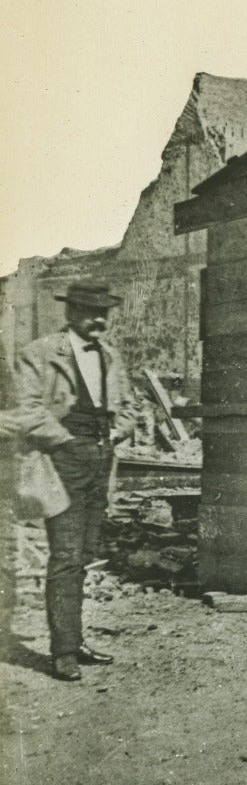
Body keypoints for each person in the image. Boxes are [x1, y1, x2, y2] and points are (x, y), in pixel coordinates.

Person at [12, 281, 135, 680]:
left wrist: (117, 433)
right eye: (89, 311)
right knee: (65, 556)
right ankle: (63, 651)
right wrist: (65, 442)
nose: (99, 320)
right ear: (70, 313)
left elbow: (129, 406)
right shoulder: (40, 353)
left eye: (104, 312)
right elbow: (25, 410)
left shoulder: (110, 356)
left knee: (83, 555)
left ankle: (75, 640)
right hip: (61, 461)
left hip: (101, 458)